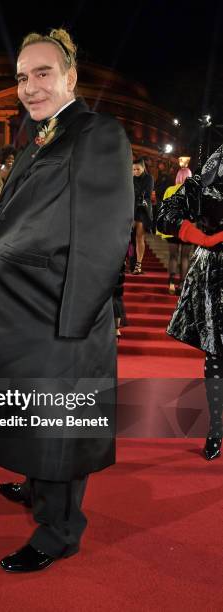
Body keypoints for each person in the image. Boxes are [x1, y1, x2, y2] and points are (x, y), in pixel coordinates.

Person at [0, 28, 133, 572]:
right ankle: (37, 487)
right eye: (21, 77)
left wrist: (76, 321)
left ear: (71, 77)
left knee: (60, 421)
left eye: (42, 74)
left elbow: (106, 233)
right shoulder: (42, 135)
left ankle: (59, 531)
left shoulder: (96, 132)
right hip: (25, 307)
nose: (29, 88)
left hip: (60, 309)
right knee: (27, 408)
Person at [157, 143, 223, 461]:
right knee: (215, 355)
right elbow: (165, 215)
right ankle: (216, 428)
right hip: (213, 273)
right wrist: (206, 238)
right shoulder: (204, 181)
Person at [157, 167, 193, 295]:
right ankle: (182, 285)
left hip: (172, 228)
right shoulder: (193, 192)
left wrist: (160, 230)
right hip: (187, 229)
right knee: (185, 257)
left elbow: (164, 211)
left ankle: (171, 283)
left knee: (173, 256)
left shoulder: (169, 190)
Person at [132, 158, 154, 274]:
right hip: (130, 208)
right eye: (133, 169)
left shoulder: (149, 178)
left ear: (143, 168)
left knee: (139, 237)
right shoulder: (130, 178)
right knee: (128, 238)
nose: (135, 171)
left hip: (142, 210)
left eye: (137, 169)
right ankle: (128, 262)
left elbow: (147, 194)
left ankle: (138, 265)